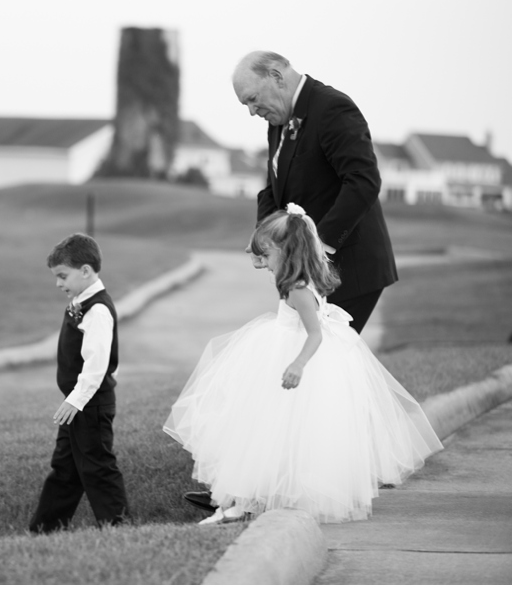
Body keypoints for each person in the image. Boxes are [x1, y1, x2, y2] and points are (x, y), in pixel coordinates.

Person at [164, 205, 442, 524]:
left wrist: (297, 364)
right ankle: (245, 502)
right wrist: (259, 247)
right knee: (264, 429)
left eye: (266, 257)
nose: (262, 265)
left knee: (273, 428)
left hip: (295, 354)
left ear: (286, 251)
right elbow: (263, 260)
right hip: (280, 346)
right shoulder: (295, 275)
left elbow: (315, 334)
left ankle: (249, 502)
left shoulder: (298, 290)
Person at [233, 50, 398, 335]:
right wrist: (264, 235)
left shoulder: (332, 108)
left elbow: (363, 180)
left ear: (276, 76)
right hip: (311, 269)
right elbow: (273, 187)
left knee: (324, 361)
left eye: (252, 98)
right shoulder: (277, 120)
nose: (251, 110)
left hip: (349, 267)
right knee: (311, 361)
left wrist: (318, 245)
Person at [29, 233, 130, 533]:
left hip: (89, 404)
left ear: (85, 271)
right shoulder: (79, 301)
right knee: (65, 468)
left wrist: (76, 399)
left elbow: (97, 364)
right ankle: (46, 528)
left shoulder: (97, 309)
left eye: (63, 276)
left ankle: (118, 526)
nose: (59, 284)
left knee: (97, 466)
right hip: (77, 404)